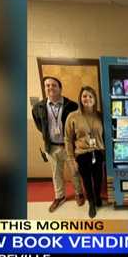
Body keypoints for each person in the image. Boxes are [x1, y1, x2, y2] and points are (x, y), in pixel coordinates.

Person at [32, 76, 84, 212]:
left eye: (54, 85)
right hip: (52, 147)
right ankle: (60, 196)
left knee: (75, 171)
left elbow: (77, 125)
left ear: (60, 88)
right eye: (47, 85)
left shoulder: (72, 105)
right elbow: (39, 125)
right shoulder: (39, 107)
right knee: (56, 173)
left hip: (69, 146)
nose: (50, 88)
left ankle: (79, 193)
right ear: (45, 88)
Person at [65, 86, 105, 218]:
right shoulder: (73, 116)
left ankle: (98, 197)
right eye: (84, 96)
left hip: (98, 152)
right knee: (87, 181)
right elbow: (68, 139)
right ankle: (91, 203)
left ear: (94, 99)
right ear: (80, 98)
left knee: (98, 179)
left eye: (90, 96)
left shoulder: (100, 115)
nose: (87, 98)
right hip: (82, 155)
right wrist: (71, 159)